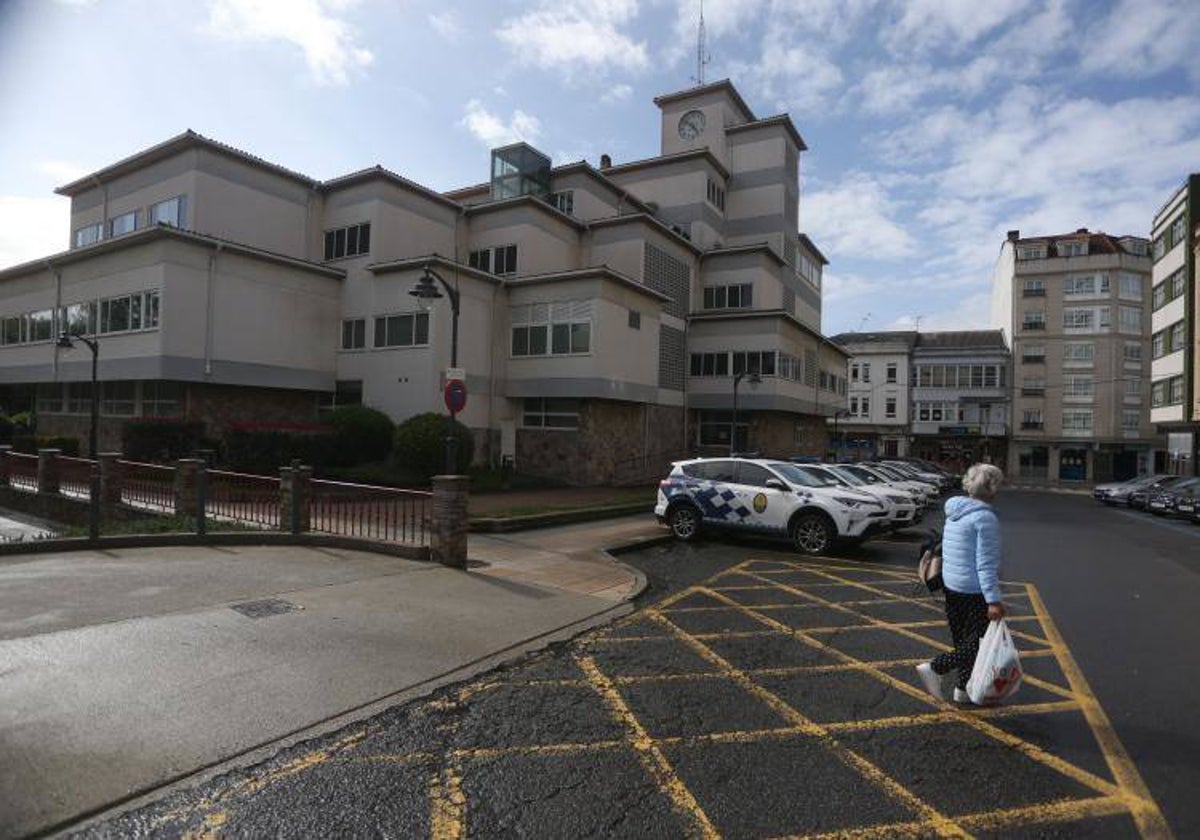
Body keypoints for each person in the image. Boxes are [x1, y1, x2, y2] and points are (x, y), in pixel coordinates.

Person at [916, 462, 1005, 704]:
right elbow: (985, 565)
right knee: (978, 644)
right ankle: (935, 667)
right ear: (992, 487)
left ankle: (963, 690)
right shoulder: (985, 519)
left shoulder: (956, 511)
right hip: (974, 591)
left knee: (961, 641)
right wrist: (994, 600)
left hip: (952, 586)